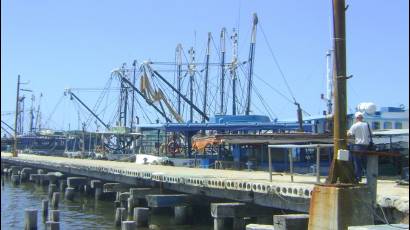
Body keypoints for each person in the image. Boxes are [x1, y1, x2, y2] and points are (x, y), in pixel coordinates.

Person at [347, 111, 372, 182]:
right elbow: (371, 134)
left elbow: (349, 134)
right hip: (366, 146)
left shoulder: (355, 125)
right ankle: (369, 179)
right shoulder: (367, 124)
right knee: (365, 163)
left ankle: (358, 178)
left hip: (358, 146)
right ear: (362, 117)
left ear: (356, 118)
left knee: (357, 162)